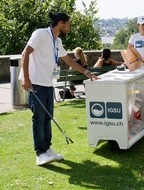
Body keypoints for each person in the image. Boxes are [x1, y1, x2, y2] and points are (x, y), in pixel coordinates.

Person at [20, 12, 98, 166]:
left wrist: (87, 72)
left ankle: (47, 149)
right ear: (61, 23)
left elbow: (68, 59)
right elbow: (25, 53)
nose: (69, 28)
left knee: (48, 118)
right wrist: (26, 78)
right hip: (36, 84)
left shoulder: (57, 41)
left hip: (48, 85)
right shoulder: (41, 34)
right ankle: (40, 153)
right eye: (68, 25)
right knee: (39, 119)